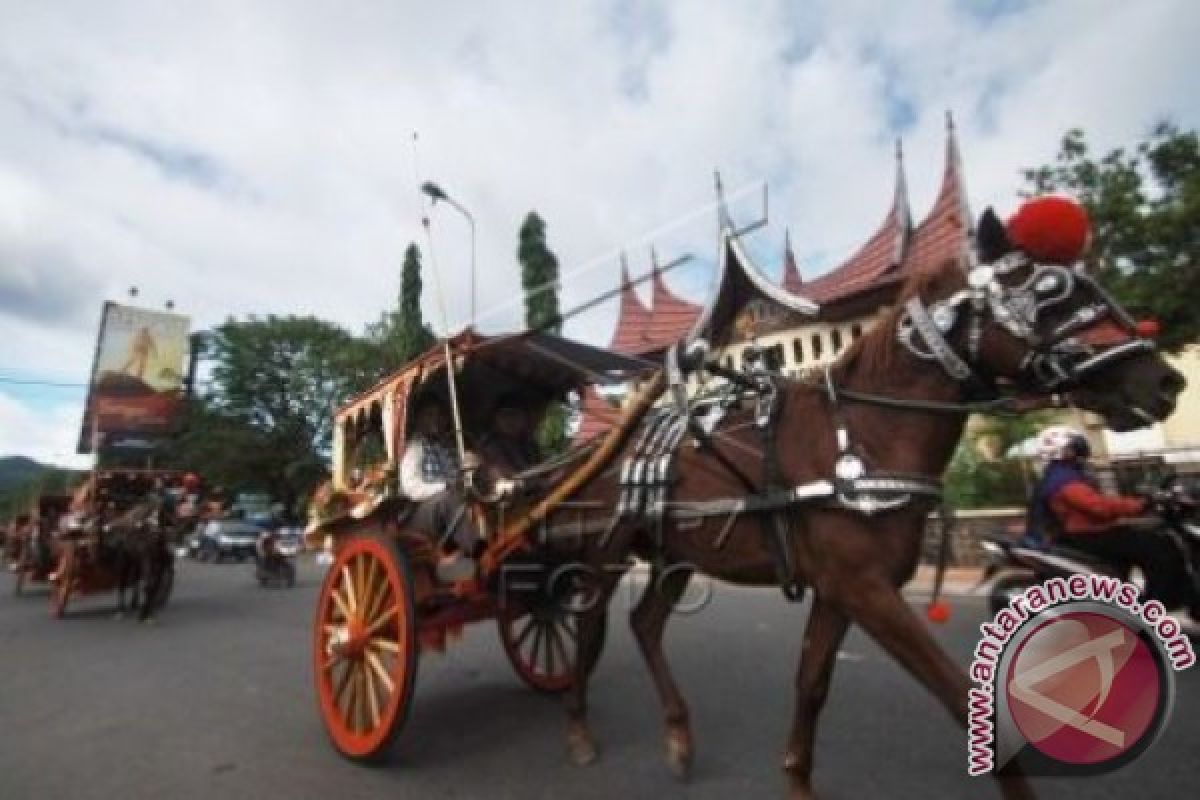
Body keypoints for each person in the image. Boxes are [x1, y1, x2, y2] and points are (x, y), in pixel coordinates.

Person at [1028, 427, 1199, 615]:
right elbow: (1098, 506)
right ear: (1063, 450)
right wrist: (1141, 504)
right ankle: (1160, 604)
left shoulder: (1059, 475)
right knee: (1159, 546)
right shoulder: (1064, 479)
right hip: (1086, 534)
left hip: (1084, 532)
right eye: (1075, 448)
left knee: (1150, 538)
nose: (1080, 453)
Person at [398, 395, 479, 582]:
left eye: (439, 416)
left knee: (473, 496)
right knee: (447, 498)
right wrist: (444, 487)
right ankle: (477, 553)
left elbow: (454, 477)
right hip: (417, 517)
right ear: (420, 419)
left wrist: (468, 469)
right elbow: (411, 487)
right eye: (430, 415)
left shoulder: (442, 449)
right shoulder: (415, 448)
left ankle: (467, 553)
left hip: (443, 507)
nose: (436, 421)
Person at [477, 394, 540, 486]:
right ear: (495, 419)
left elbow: (544, 469)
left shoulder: (530, 445)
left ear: (525, 418)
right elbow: (510, 476)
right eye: (505, 415)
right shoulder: (490, 446)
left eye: (515, 414)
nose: (510, 420)